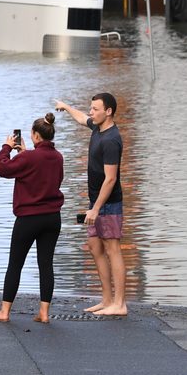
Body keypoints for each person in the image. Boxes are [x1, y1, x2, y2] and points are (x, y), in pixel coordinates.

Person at [55, 93, 127, 316]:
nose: (91, 112)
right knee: (95, 248)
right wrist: (66, 107)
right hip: (95, 203)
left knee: (113, 249)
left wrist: (96, 208)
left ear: (109, 112)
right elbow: (80, 118)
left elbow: (111, 179)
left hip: (107, 204)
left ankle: (120, 304)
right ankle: (106, 300)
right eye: (91, 108)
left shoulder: (111, 140)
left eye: (95, 109)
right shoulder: (97, 129)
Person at [0, 113, 64, 324]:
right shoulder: (58, 156)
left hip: (29, 219)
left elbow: (1, 168)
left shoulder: (29, 157)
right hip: (52, 217)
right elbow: (53, 177)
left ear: (35, 135)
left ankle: (4, 312)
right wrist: (24, 154)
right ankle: (44, 312)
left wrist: (6, 147)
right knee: (46, 264)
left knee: (15, 264)